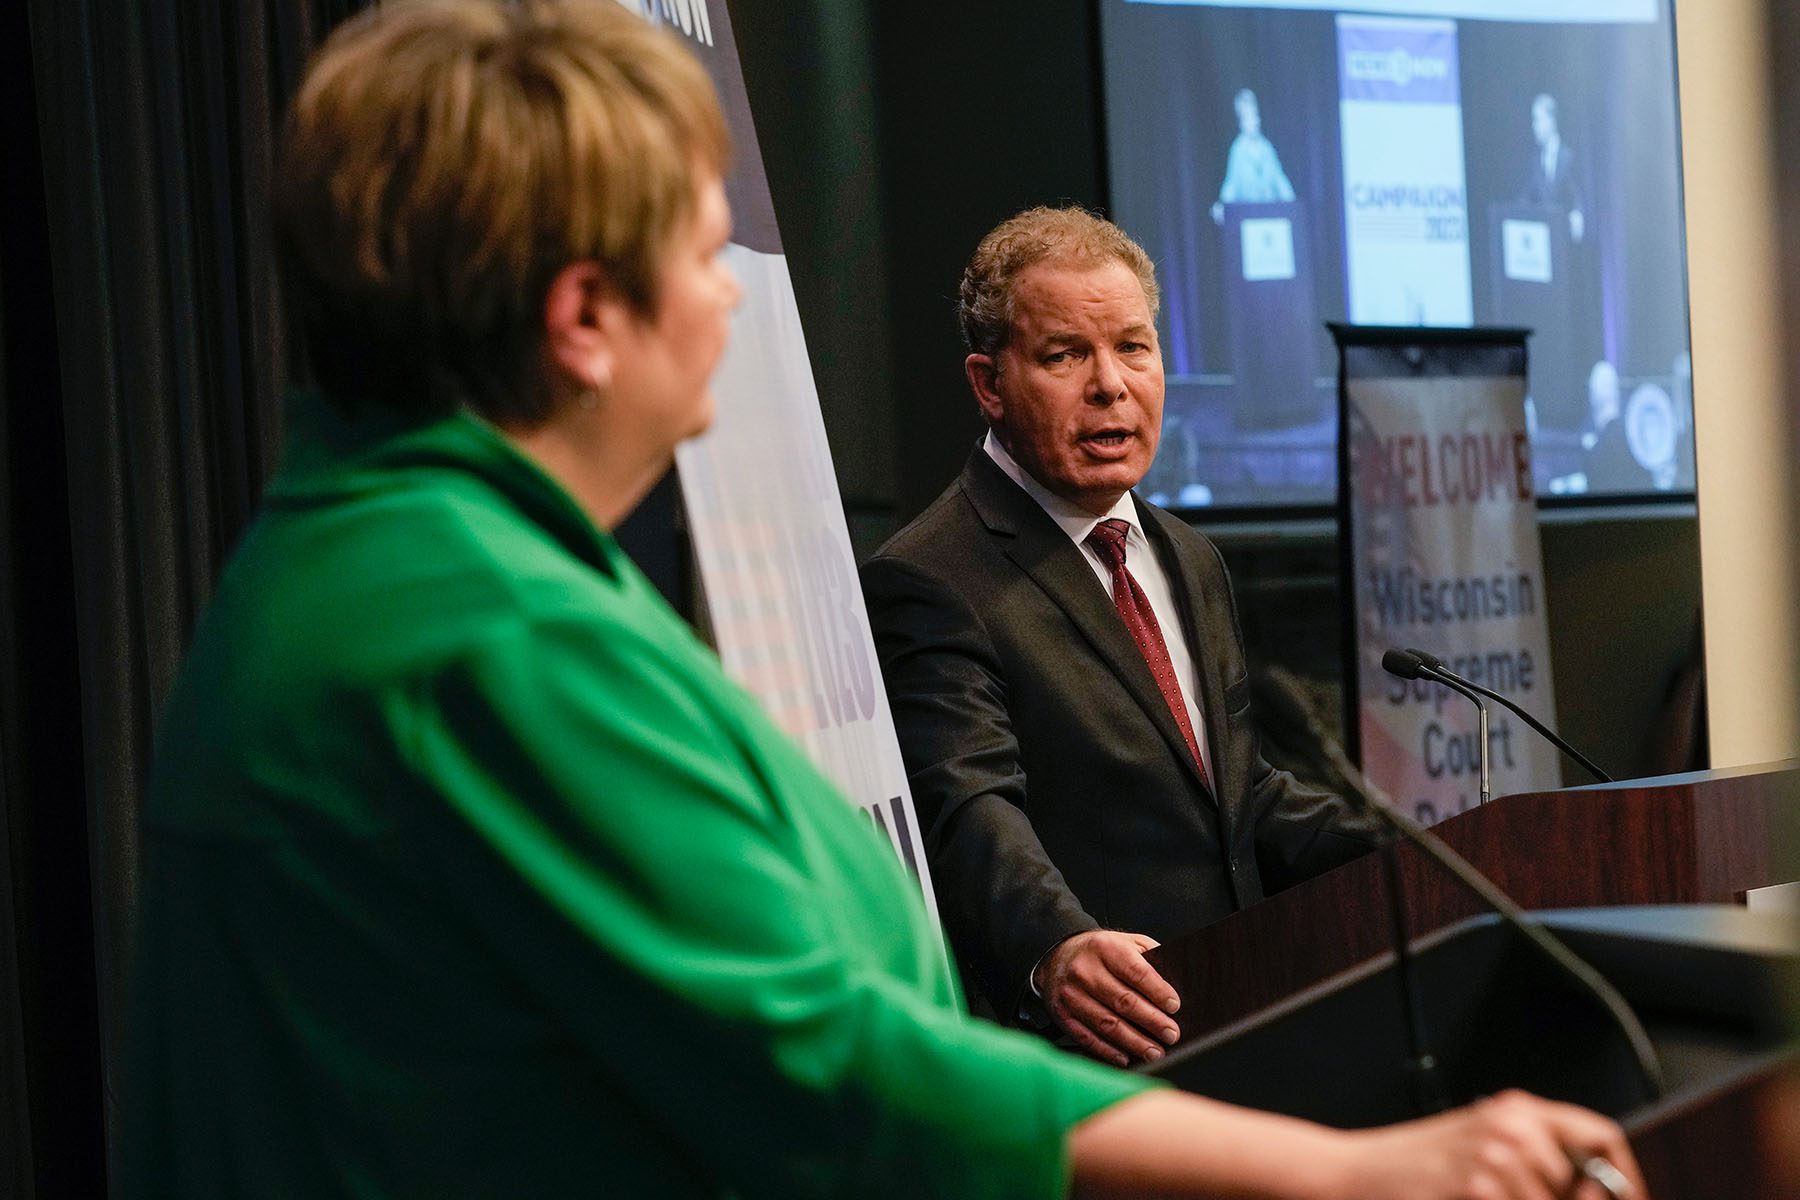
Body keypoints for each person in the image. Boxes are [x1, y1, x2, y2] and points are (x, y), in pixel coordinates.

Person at [122, 4, 1644, 1198]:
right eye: (697, 251)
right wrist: (1358, 1176)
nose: (734, 291)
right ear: (587, 318)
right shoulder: (483, 635)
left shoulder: (396, 565)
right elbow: (833, 1058)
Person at [861, 206, 1381, 1067]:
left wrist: (1431, 858)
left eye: (1134, 348)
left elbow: (1237, 799)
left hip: (1244, 1011)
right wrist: (1058, 946)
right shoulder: (932, 578)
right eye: (1067, 355)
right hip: (1094, 1051)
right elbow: (970, 808)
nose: (1111, 385)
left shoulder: (1188, 556)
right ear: (990, 384)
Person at [1210, 88, 1296, 224]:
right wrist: (1223, 205)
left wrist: (1291, 203)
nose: (1252, 122)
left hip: (1270, 212)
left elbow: (1278, 178)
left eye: (1254, 116)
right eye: (1247, 118)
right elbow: (1232, 183)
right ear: (1241, 122)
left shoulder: (1266, 148)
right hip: (1248, 214)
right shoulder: (1238, 150)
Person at [1523, 93, 1585, 244]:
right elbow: (1528, 196)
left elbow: (1579, 194)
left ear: (1551, 120)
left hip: (1568, 242)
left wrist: (1578, 214)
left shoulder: (1570, 156)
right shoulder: (1535, 160)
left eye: (1537, 120)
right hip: (1544, 241)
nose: (1534, 126)